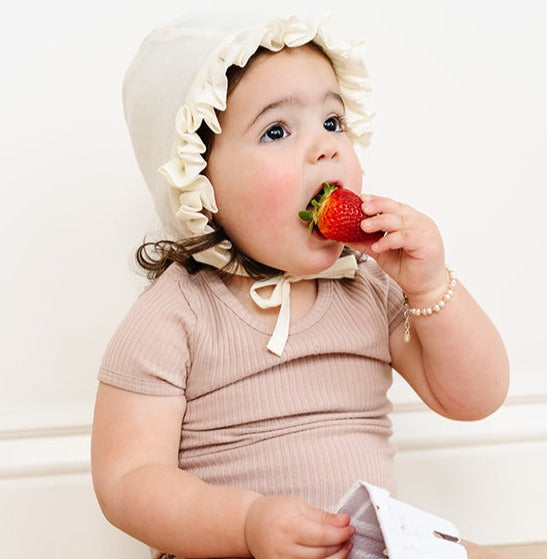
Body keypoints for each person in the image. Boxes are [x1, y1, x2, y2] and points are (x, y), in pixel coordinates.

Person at [91, 11, 513, 559]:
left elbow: (473, 398)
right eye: (277, 130)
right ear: (200, 182)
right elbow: (127, 481)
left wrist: (429, 287)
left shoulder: (370, 290)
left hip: (369, 545)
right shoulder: (176, 315)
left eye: (333, 122)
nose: (325, 147)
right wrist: (244, 524)